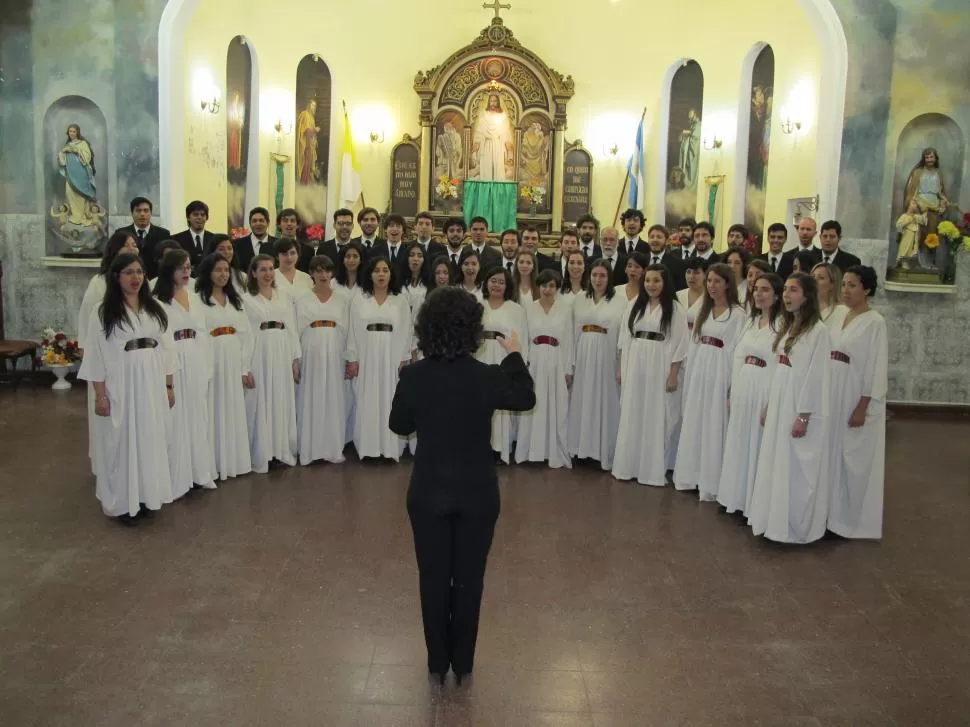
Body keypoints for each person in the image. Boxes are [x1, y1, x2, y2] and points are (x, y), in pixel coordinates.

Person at [389, 287, 535, 684]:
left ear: (426, 328)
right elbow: (525, 396)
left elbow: (399, 425)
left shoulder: (414, 376)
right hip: (478, 493)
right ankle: (463, 662)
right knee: (470, 579)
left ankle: (437, 661)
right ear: (473, 329)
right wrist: (516, 354)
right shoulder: (487, 376)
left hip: (427, 491)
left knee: (432, 577)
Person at [78, 252, 175, 525]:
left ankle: (146, 496)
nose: (135, 278)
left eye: (139, 272)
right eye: (129, 272)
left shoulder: (155, 308)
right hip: (121, 383)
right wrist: (100, 395)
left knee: (149, 438)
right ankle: (122, 502)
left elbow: (167, 350)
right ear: (117, 277)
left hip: (151, 382)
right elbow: (96, 356)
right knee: (121, 441)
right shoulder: (103, 311)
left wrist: (169, 385)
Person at [748, 273, 832, 544]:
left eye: (793, 290)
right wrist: (769, 404)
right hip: (781, 397)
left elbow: (815, 375)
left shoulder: (818, 331)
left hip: (799, 404)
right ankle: (773, 521)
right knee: (775, 458)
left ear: (806, 296)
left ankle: (795, 526)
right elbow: (778, 368)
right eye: (784, 289)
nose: (786, 294)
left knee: (794, 464)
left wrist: (804, 416)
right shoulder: (786, 324)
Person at [673, 263, 746, 500]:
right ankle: (690, 475)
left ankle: (711, 481)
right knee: (696, 421)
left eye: (717, 281)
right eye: (710, 281)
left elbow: (738, 350)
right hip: (699, 370)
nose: (712, 286)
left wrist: (731, 385)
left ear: (727, 283)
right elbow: (693, 343)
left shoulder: (738, 314)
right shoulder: (703, 310)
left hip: (721, 372)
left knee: (715, 424)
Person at [826, 266, 888, 540]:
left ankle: (851, 521)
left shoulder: (875, 322)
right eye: (844, 285)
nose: (846, 291)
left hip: (854, 393)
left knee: (852, 457)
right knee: (831, 452)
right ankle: (828, 514)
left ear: (867, 290)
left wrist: (863, 405)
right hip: (833, 389)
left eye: (852, 286)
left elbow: (875, 368)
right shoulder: (838, 314)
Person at [612, 264, 688, 486]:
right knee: (633, 411)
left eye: (656, 281)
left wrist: (673, 375)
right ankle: (628, 466)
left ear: (665, 284)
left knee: (655, 415)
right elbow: (624, 339)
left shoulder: (675, 309)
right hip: (635, 362)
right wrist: (620, 368)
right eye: (648, 281)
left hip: (660, 364)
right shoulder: (634, 305)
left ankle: (651, 470)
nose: (651, 285)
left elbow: (680, 344)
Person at [716, 272, 784, 515]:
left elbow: (781, 365)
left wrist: (771, 403)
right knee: (740, 438)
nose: (758, 294)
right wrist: (732, 389)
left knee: (758, 440)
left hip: (764, 385)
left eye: (765, 290)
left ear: (777, 295)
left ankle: (754, 503)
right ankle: (736, 496)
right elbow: (737, 355)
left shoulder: (783, 326)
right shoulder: (751, 321)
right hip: (744, 383)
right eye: (756, 289)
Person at [154, 248, 217, 497]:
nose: (186, 272)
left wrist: (206, 364)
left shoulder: (195, 296)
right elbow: (161, 338)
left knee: (197, 415)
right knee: (177, 417)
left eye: (189, 267)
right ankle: (177, 478)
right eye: (181, 268)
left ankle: (199, 472)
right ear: (169, 270)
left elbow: (202, 331)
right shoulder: (159, 301)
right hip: (174, 360)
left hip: (196, 357)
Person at [78, 231, 140, 474]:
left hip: (132, 364)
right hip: (106, 362)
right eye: (127, 246)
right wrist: (89, 358)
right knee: (108, 419)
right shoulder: (100, 283)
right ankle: (106, 465)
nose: (133, 250)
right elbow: (86, 324)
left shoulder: (138, 281)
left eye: (135, 246)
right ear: (114, 251)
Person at [347, 256, 412, 461]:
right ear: (370, 274)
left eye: (385, 270)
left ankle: (389, 448)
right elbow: (353, 329)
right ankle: (368, 447)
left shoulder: (400, 299)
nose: (381, 274)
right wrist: (353, 357)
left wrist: (403, 356)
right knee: (368, 398)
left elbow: (406, 329)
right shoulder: (360, 298)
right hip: (367, 352)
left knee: (390, 398)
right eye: (376, 270)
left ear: (391, 274)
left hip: (390, 352)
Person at [195, 253, 253, 481]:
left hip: (232, 357)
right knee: (213, 408)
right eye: (218, 270)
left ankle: (233, 460)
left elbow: (246, 335)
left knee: (232, 407)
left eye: (226, 270)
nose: (223, 274)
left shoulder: (236, 300)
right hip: (211, 357)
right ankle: (214, 462)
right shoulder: (198, 300)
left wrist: (243, 367)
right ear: (208, 272)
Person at [244, 255, 300, 473]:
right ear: (253, 273)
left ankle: (280, 450)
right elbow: (245, 333)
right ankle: (262, 452)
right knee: (260, 400)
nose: (268, 274)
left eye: (270, 269)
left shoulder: (284, 296)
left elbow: (292, 328)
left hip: (282, 350)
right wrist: (245, 365)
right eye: (262, 270)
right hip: (259, 352)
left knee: (280, 399)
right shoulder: (246, 298)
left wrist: (295, 359)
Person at [295, 255, 352, 466]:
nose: (323, 275)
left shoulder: (342, 299)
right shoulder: (302, 299)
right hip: (311, 350)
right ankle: (310, 448)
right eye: (318, 270)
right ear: (311, 273)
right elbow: (296, 330)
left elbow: (348, 331)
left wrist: (349, 357)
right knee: (310, 395)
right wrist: (296, 358)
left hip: (335, 349)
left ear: (332, 273)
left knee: (333, 396)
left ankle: (332, 448)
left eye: (327, 270)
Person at [568, 260, 624, 470]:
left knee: (604, 400)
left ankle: (602, 451)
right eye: (594, 275)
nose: (598, 280)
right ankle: (580, 449)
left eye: (602, 276)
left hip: (606, 356)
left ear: (609, 278)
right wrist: (570, 362)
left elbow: (622, 334)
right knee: (582, 399)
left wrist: (620, 364)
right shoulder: (580, 299)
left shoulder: (619, 301)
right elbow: (571, 331)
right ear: (588, 277)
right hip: (583, 354)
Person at [515, 269, 573, 468]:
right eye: (544, 285)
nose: (547, 290)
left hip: (557, 360)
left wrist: (568, 369)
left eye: (551, 286)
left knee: (556, 405)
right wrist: (524, 363)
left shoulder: (565, 308)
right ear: (537, 286)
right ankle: (531, 451)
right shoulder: (528, 308)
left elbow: (569, 340)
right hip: (535, 361)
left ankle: (553, 451)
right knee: (534, 403)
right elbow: (523, 337)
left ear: (557, 288)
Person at [477, 266, 528, 463]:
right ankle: (479, 447)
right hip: (480, 356)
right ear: (486, 282)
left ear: (508, 286)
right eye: (493, 280)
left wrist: (517, 363)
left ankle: (499, 449)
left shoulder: (516, 309)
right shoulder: (476, 304)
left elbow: (520, 337)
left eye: (501, 282)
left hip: (503, 357)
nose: (497, 285)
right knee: (479, 404)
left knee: (500, 404)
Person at [117, 197, 171, 273]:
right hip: (129, 277)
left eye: (146, 210)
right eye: (138, 211)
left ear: (151, 213)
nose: (142, 214)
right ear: (132, 213)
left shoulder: (163, 234)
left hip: (156, 278)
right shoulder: (121, 233)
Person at [173, 201, 226, 269]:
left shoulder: (214, 239)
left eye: (203, 215)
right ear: (188, 217)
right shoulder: (176, 239)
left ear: (206, 218)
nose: (199, 217)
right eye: (195, 214)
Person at [233, 207, 277, 273]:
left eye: (261, 220)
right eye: (254, 221)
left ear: (268, 223)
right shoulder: (237, 244)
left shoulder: (277, 244)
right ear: (250, 224)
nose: (258, 224)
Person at [811, 262, 844, 327]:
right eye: (812, 277)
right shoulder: (803, 310)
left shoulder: (842, 312)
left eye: (821, 278)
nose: (814, 281)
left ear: (832, 284)